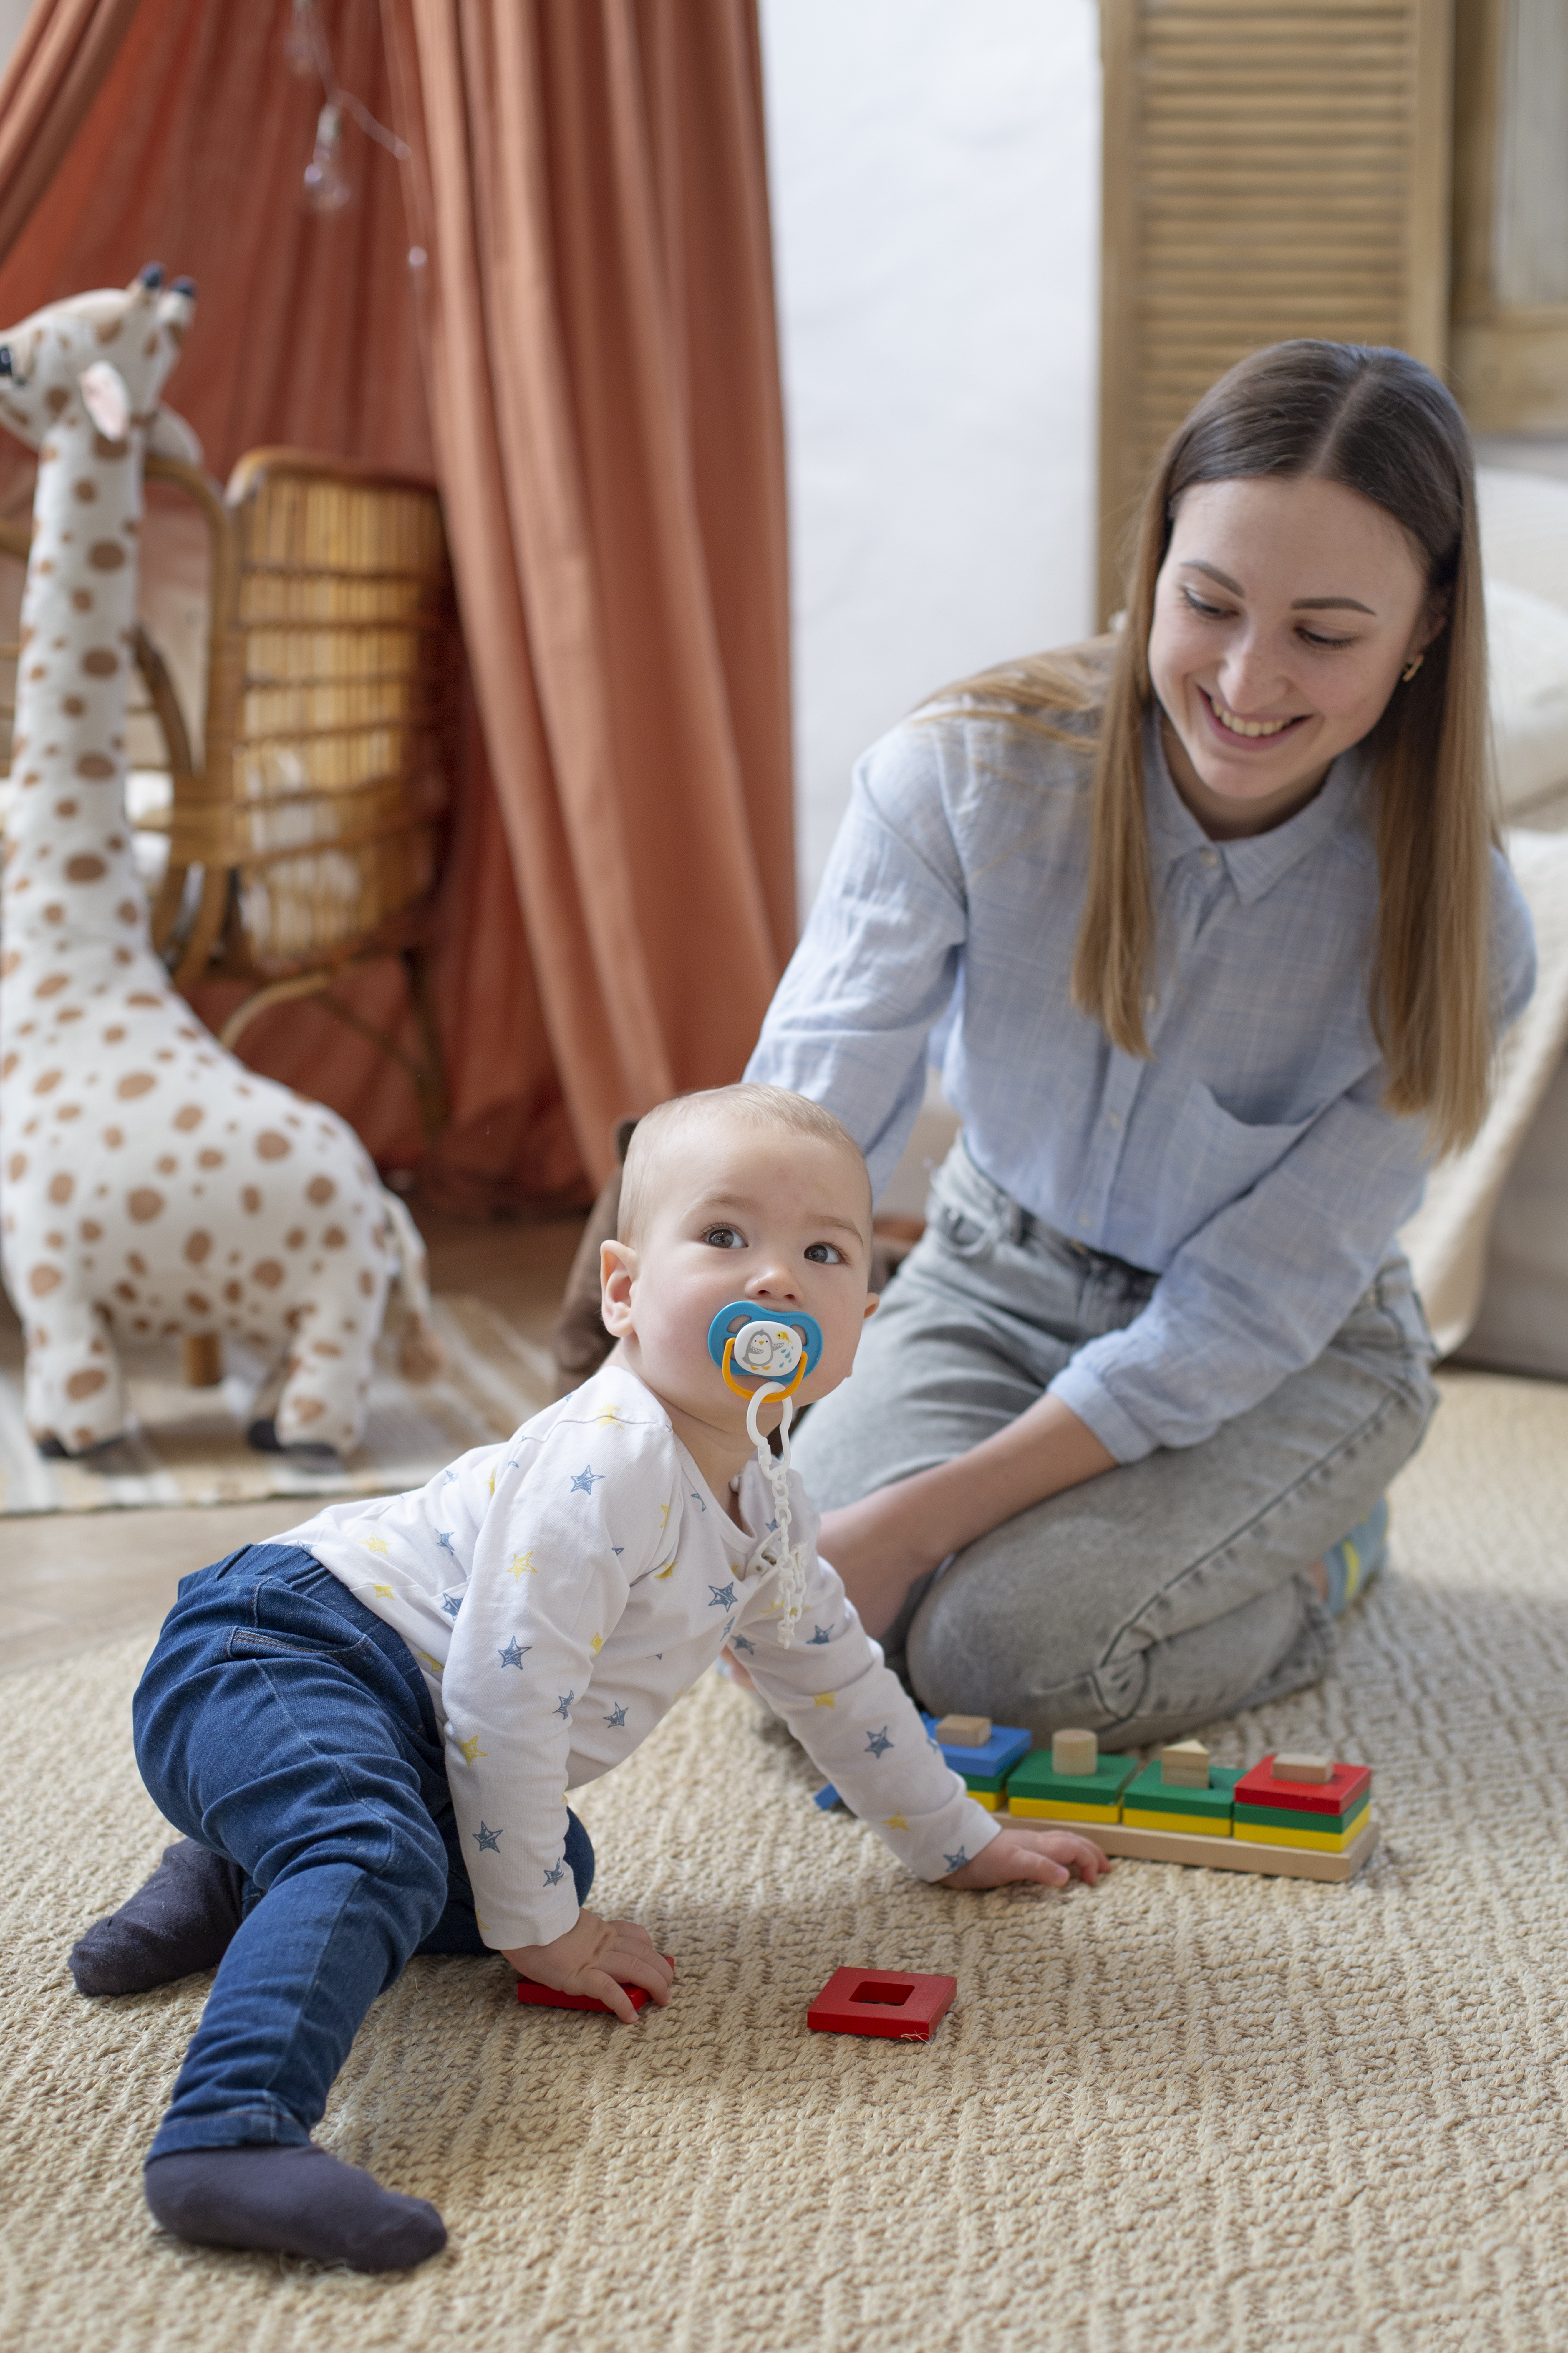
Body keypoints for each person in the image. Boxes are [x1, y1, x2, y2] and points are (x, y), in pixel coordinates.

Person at [69, 1084, 1109, 2273]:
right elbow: (503, 1713)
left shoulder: (766, 1505)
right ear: (623, 1289)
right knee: (399, 1861)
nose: (775, 1278)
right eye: (724, 1238)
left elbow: (840, 1681)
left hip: (393, 1716)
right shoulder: (605, 1468)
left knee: (551, 1868)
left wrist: (954, 1842)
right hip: (279, 1647)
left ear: (859, 1323)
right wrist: (545, 1943)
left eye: (822, 1252)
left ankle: (233, 1872)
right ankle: (228, 2136)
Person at [746, 340, 1536, 1744]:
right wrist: (713, 1405)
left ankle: (1323, 1560)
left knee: (1006, 1658)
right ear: (1155, 566)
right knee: (803, 1623)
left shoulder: (1458, 931)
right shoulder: (963, 775)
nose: (1245, 680)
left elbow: (1242, 1313)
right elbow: (804, 1133)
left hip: (1289, 1355)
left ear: (1424, 631)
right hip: (994, 1277)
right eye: (1210, 603)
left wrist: (916, 1527)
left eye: (1326, 635)